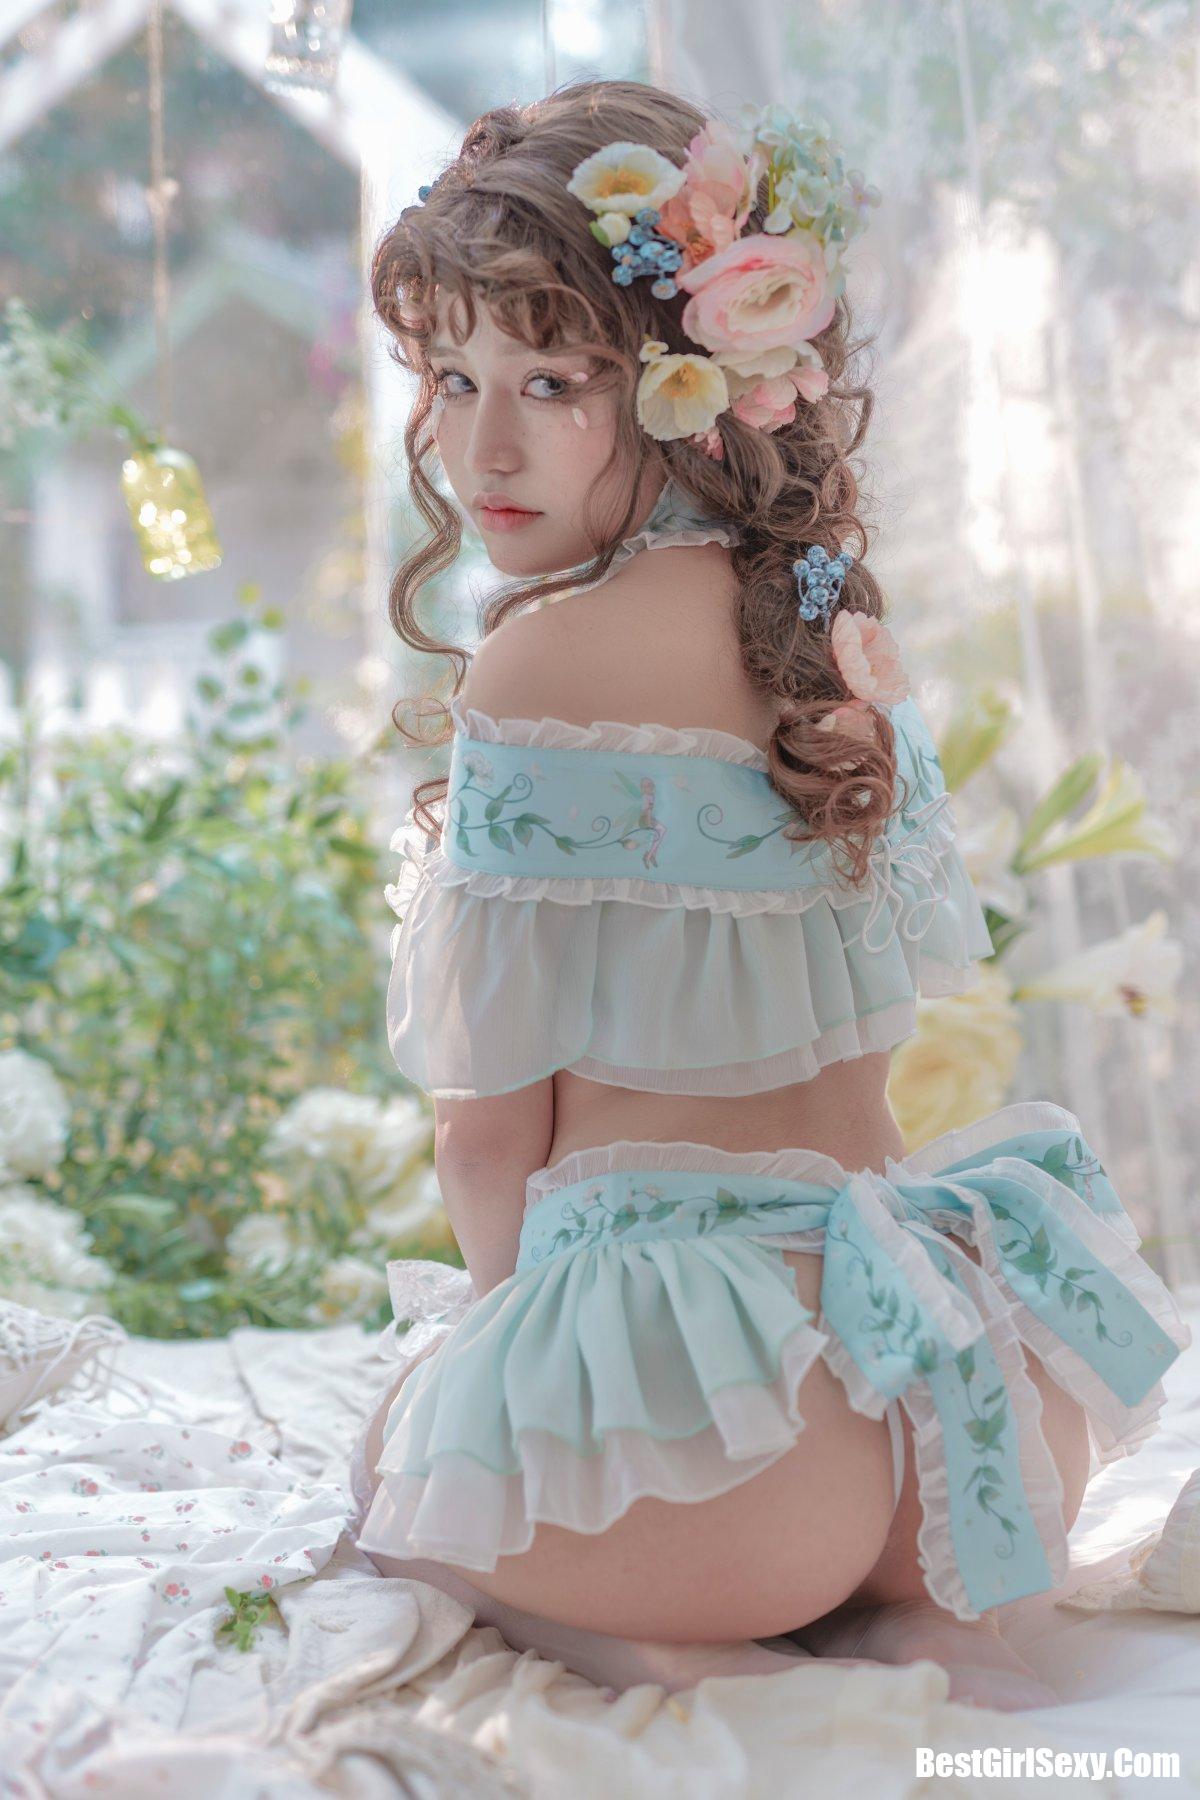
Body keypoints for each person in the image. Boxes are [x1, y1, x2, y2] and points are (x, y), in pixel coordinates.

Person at [347, 78, 1190, 1711]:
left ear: (688, 391)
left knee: (395, 1482)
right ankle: (898, 1613)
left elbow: (485, 1139)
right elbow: (869, 1049)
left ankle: (675, 1641)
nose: (480, 445)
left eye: (553, 382)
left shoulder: (543, 661)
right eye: (451, 378)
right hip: (960, 1395)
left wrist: (498, 1379)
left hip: (728, 1455)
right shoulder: (825, 631)